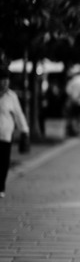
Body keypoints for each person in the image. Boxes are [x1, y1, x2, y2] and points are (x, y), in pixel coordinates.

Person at [0, 68, 29, 198]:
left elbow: (19, 114)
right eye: (2, 80)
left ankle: (1, 186)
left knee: (4, 162)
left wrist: (24, 130)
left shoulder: (12, 96)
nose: (5, 83)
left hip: (5, 134)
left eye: (7, 80)